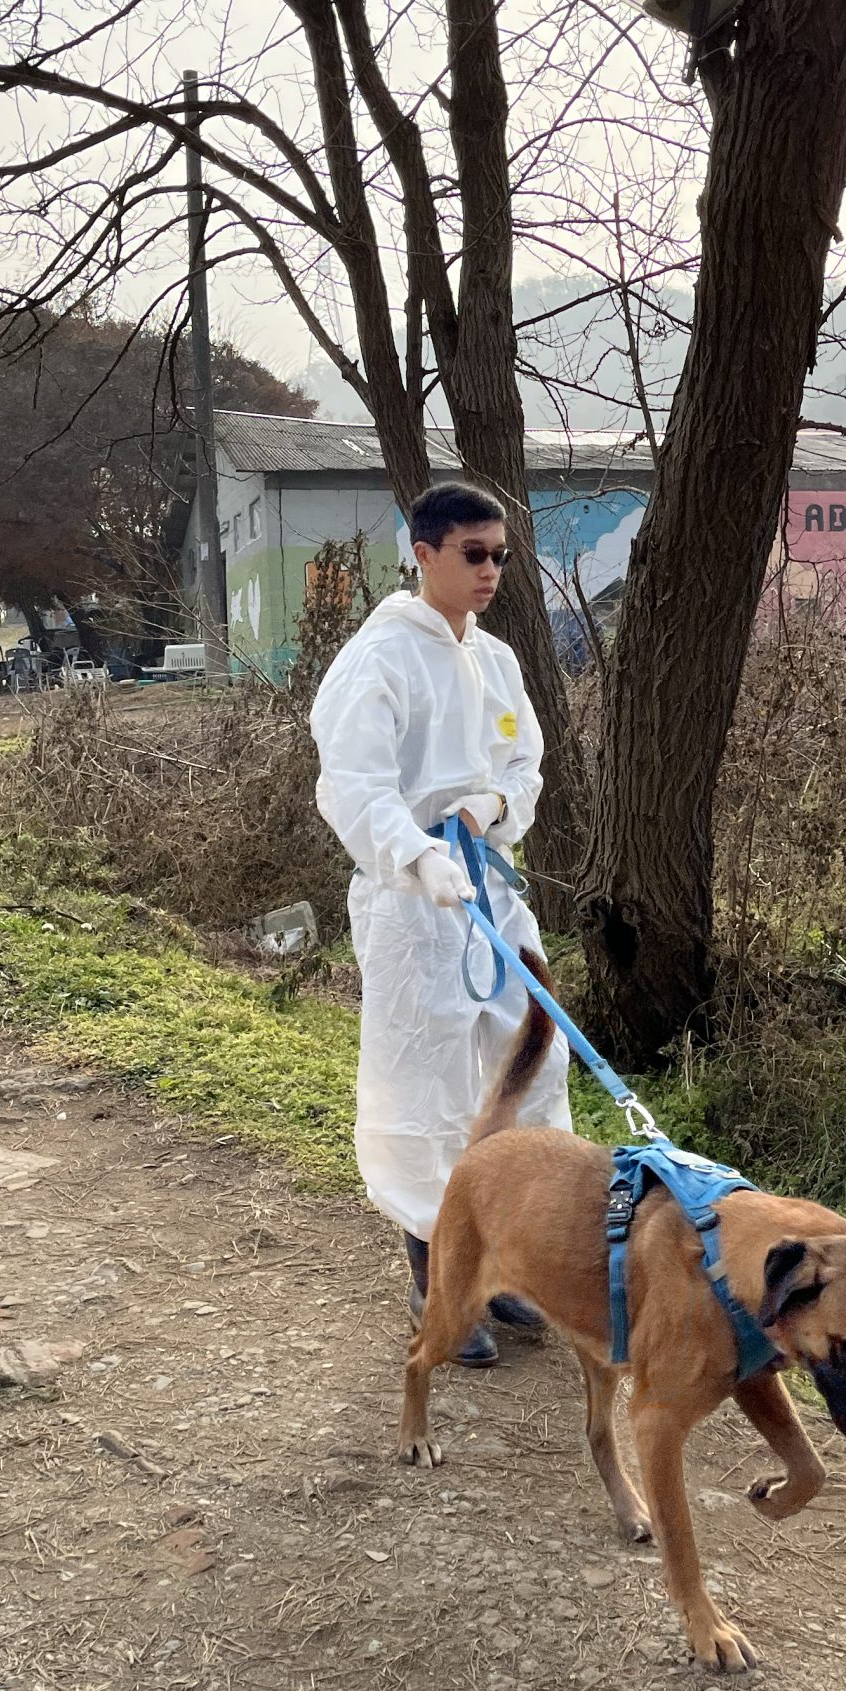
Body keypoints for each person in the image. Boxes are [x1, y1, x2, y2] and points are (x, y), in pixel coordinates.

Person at [311, 481, 570, 1367]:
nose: (491, 570)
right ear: (422, 553)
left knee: (528, 1071)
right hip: (411, 907)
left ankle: (504, 1267)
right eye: (474, 554)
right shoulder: (377, 660)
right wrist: (415, 856)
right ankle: (438, 1282)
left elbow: (525, 760)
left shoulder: (496, 660)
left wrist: (497, 802)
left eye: (500, 555)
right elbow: (355, 785)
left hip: (491, 895)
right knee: (426, 1092)